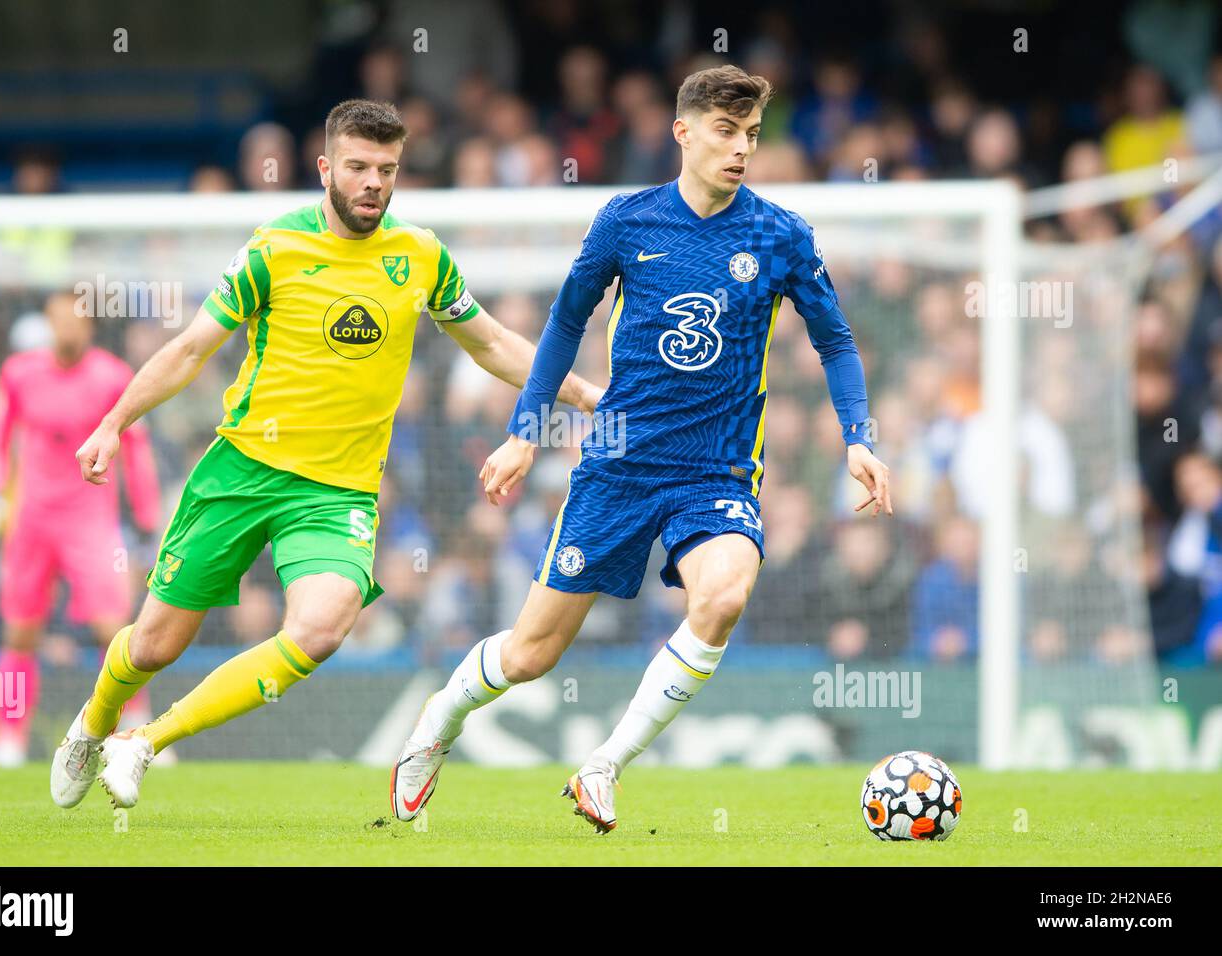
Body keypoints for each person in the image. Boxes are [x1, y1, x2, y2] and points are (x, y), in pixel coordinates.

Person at [49, 99, 601, 811]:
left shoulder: (420, 255)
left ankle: (145, 741)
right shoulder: (273, 249)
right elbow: (190, 348)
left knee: (321, 626)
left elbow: (491, 341)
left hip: (337, 492)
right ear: (326, 169)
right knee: (153, 646)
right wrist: (113, 423)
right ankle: (93, 724)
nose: (374, 182)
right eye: (360, 167)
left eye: (388, 170)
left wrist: (581, 393)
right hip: (241, 470)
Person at [392, 66, 892, 833]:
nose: (740, 150)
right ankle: (437, 722)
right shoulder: (626, 222)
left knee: (723, 594)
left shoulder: (781, 235)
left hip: (715, 472)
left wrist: (859, 439)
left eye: (752, 135)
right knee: (530, 654)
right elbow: (563, 327)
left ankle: (603, 765)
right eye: (726, 132)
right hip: (619, 465)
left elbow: (837, 342)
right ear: (683, 132)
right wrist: (527, 433)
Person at [0, 291, 161, 767]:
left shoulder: (112, 376)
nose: (67, 329)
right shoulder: (19, 374)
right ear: (48, 322)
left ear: (91, 326)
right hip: (32, 520)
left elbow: (135, 446)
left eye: (75, 320)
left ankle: (135, 730)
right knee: (20, 632)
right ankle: (9, 738)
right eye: (58, 319)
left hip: (90, 521)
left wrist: (146, 512)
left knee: (113, 629)